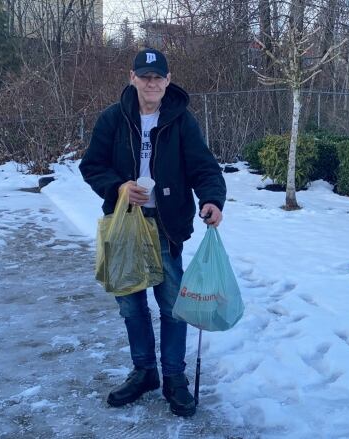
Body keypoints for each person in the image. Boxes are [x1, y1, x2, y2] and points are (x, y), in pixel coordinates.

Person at [79, 48, 226, 417]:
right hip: (125, 223)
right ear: (132, 78)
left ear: (167, 80)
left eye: (157, 77)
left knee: (173, 305)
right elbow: (92, 165)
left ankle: (174, 378)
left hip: (166, 225)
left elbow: (204, 167)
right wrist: (119, 188)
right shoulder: (112, 119)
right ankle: (144, 371)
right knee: (131, 304)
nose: (151, 83)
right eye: (144, 76)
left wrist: (212, 199)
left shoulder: (181, 121)